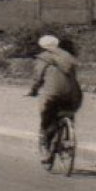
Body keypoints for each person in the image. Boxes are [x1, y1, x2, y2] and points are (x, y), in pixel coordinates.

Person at [28, 34, 82, 165]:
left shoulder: (43, 58)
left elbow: (38, 78)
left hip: (53, 95)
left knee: (47, 119)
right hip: (73, 95)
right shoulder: (69, 57)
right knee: (68, 112)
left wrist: (33, 90)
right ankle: (68, 134)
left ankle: (46, 148)